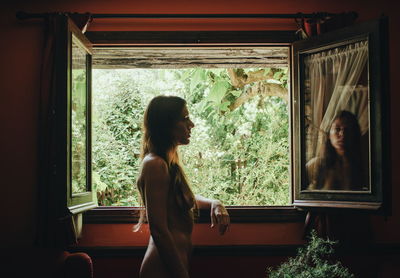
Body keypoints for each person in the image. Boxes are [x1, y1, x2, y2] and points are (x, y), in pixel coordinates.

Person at [134, 95, 230, 278]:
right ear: (166, 124)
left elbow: (183, 200)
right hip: (162, 269)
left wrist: (214, 203)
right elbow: (159, 231)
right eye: (185, 118)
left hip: (172, 267)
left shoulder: (168, 163)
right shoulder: (155, 164)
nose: (191, 124)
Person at [306, 110, 368, 191]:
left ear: (354, 134)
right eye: (337, 129)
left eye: (347, 129)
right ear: (329, 134)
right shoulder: (315, 166)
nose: (342, 134)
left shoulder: (365, 167)